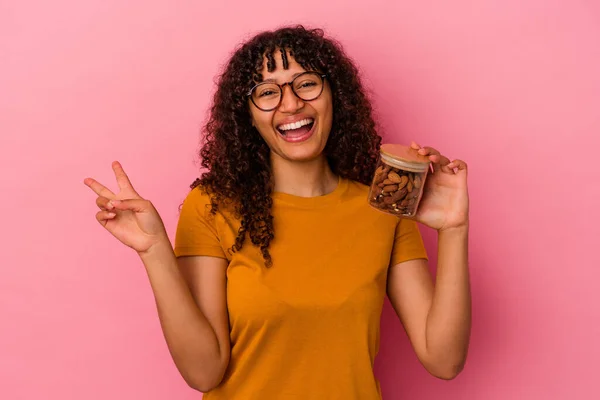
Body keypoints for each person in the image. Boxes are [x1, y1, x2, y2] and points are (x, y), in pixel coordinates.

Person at [84, 25, 471, 399]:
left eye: (306, 83)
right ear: (248, 115)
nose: (290, 104)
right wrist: (154, 251)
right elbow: (202, 371)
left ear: (335, 95)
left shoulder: (383, 208)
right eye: (267, 92)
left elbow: (444, 359)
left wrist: (453, 229)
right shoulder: (214, 205)